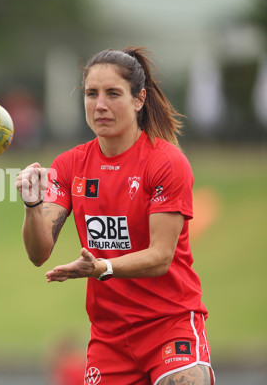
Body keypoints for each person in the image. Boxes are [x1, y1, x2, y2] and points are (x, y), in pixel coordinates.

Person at [16, 47, 214, 385]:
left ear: (139, 100)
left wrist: (102, 268)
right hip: (109, 338)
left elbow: (160, 257)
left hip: (169, 326)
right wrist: (32, 208)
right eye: (91, 94)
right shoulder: (69, 165)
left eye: (113, 94)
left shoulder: (166, 162)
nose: (100, 105)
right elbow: (38, 253)